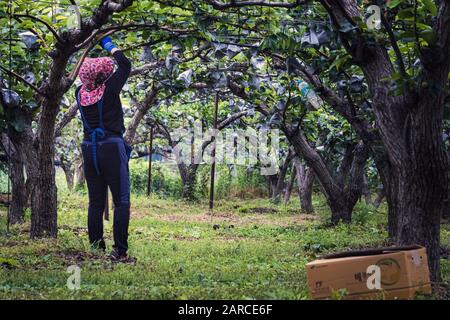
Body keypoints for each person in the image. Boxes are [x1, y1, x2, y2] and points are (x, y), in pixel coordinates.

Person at [75, 36, 133, 261]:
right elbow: (125, 65)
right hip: (111, 147)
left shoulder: (80, 93)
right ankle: (119, 250)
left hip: (89, 149)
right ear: (104, 76)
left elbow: (87, 76)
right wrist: (108, 44)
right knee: (121, 201)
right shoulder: (109, 89)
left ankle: (96, 247)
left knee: (96, 201)